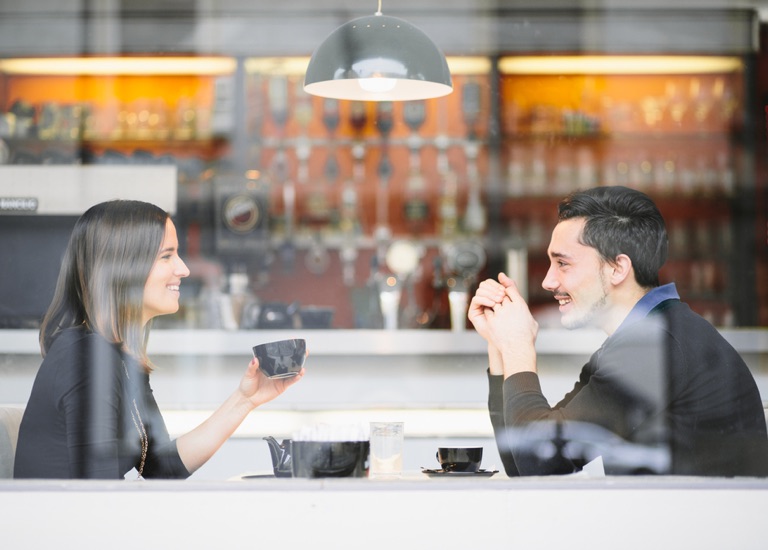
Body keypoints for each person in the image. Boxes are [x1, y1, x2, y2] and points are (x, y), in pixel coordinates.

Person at [469, 186, 768, 477]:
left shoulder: (657, 346)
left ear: (617, 268)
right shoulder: (645, 339)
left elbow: (538, 461)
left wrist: (519, 347)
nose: (548, 281)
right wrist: (500, 345)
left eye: (562, 263)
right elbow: (524, 463)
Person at [14, 199, 304, 479]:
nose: (184, 269)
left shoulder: (117, 356)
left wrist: (245, 400)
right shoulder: (85, 359)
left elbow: (160, 467)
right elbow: (97, 500)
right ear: (123, 267)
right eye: (167, 256)